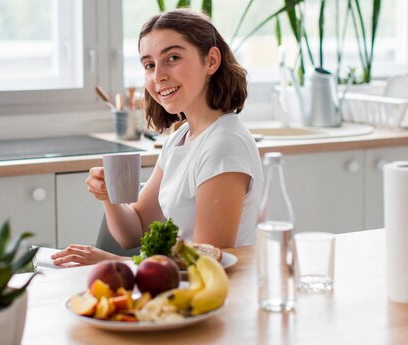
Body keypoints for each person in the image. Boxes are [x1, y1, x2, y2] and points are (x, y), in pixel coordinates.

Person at [52, 9, 263, 266]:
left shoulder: (225, 145)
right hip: (181, 289)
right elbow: (134, 230)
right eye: (149, 65)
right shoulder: (180, 139)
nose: (158, 76)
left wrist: (116, 263)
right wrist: (108, 196)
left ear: (211, 61)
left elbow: (207, 262)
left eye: (172, 57)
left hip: (219, 298)